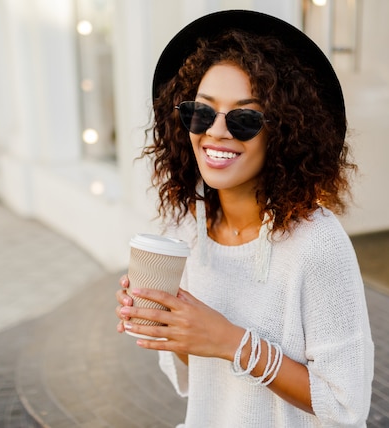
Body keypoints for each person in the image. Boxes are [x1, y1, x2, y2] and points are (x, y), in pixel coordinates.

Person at [115, 10, 374, 427]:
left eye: (245, 118)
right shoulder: (187, 227)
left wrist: (230, 340)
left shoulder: (317, 244)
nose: (216, 132)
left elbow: (344, 406)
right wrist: (172, 323)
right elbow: (196, 365)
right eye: (201, 113)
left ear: (285, 131)